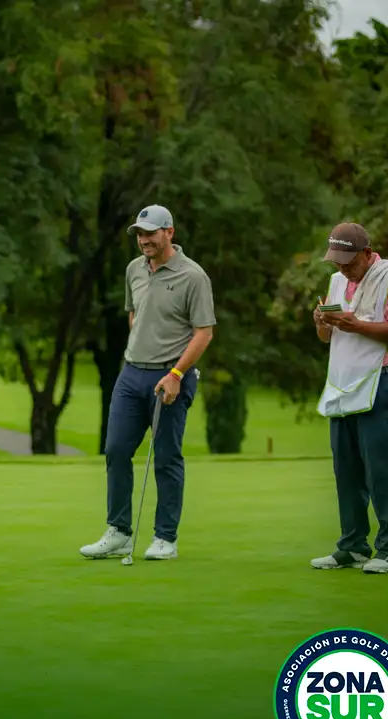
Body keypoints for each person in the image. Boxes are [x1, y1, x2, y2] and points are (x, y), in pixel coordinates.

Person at [80, 205, 216, 561]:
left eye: (151, 233)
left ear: (169, 232)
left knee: (166, 457)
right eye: (139, 234)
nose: (144, 240)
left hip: (171, 376)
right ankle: (119, 533)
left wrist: (176, 374)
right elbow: (135, 314)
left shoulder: (193, 276)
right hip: (131, 374)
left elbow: (204, 333)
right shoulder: (134, 269)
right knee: (116, 450)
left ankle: (164, 538)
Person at [310, 222, 388, 574]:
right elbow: (327, 338)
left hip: (381, 381)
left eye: (348, 261)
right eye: (336, 261)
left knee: (381, 470)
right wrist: (322, 322)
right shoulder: (337, 280)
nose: (342, 268)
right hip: (344, 384)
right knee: (347, 471)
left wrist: (357, 325)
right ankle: (353, 546)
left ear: (367, 253)